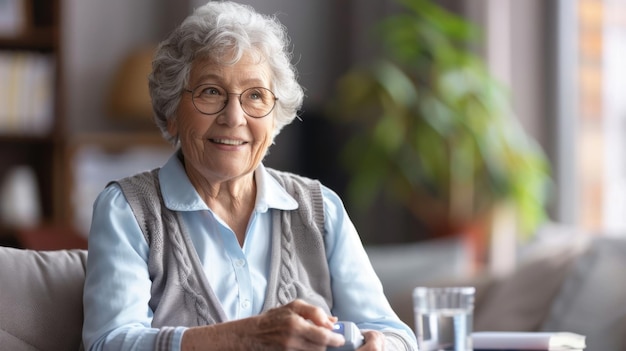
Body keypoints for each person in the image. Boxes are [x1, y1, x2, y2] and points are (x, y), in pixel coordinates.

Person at [82, 1, 417, 350]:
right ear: (171, 112)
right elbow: (109, 343)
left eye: (255, 96)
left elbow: (396, 334)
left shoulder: (321, 210)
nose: (234, 117)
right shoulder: (127, 210)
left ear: (275, 120)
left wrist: (379, 345)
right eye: (211, 92)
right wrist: (244, 337)